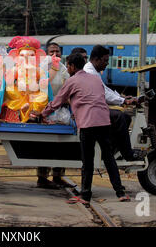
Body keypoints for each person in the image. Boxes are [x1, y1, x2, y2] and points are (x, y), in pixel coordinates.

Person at [39, 53, 130, 205]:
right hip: (103, 121)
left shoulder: (72, 80)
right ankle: (120, 192)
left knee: (87, 161)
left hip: (88, 123)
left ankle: (85, 196)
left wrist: (43, 114)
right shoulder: (95, 78)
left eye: (68, 66)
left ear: (73, 67)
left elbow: (58, 101)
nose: (67, 68)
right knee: (108, 157)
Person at [83, 45, 143, 161]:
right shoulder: (89, 72)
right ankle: (127, 153)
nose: (107, 64)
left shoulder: (93, 71)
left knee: (126, 117)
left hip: (95, 109)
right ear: (96, 59)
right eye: (105, 61)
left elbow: (106, 89)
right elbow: (103, 93)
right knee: (119, 117)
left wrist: (121, 97)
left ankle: (115, 149)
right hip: (91, 111)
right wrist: (124, 101)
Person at [36, 42, 73, 189]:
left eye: (57, 51)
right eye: (52, 51)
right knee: (46, 144)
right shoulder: (42, 68)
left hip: (61, 111)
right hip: (44, 109)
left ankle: (58, 176)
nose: (55, 54)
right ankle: (42, 177)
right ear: (46, 53)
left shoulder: (64, 69)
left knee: (62, 144)